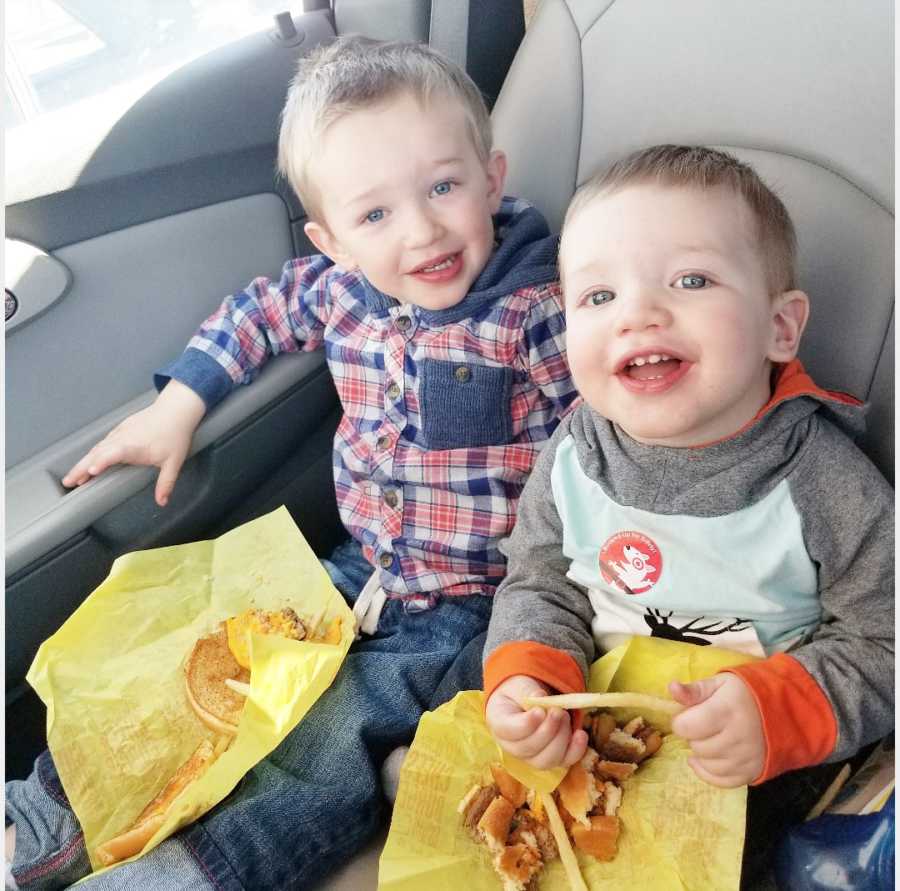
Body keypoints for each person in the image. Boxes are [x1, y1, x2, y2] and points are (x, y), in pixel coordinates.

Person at [5, 37, 578, 890]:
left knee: (320, 751)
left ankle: (172, 879)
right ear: (332, 238)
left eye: (444, 187)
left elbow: (605, 442)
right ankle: (36, 829)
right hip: (355, 568)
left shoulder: (538, 315)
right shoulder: (342, 287)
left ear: (492, 179)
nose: (421, 229)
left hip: (467, 613)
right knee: (188, 672)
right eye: (375, 215)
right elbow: (260, 311)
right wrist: (179, 404)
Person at [481, 145, 894, 883]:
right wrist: (530, 678)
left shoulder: (823, 480)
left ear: (780, 327)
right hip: (594, 729)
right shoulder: (574, 453)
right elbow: (539, 581)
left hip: (757, 754)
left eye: (691, 279)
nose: (639, 312)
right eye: (598, 297)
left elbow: (886, 640)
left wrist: (779, 714)